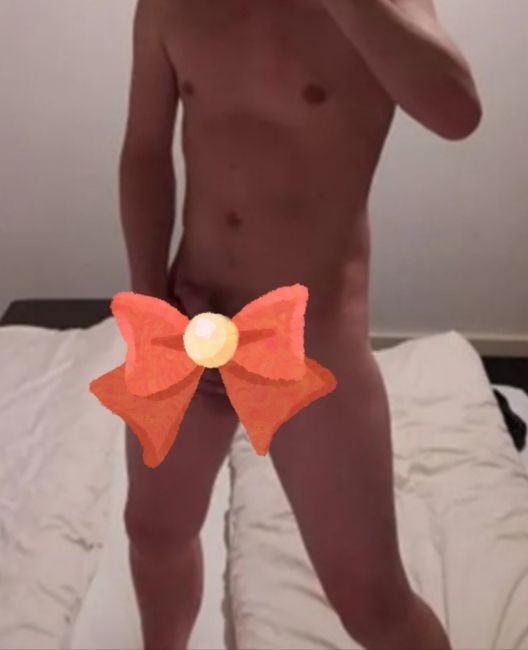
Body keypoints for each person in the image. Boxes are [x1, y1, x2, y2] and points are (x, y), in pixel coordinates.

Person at [119, 1, 482, 648]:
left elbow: (458, 113)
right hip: (191, 316)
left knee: (372, 602)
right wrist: (153, 302)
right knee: (153, 532)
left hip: (311, 339)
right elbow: (145, 153)